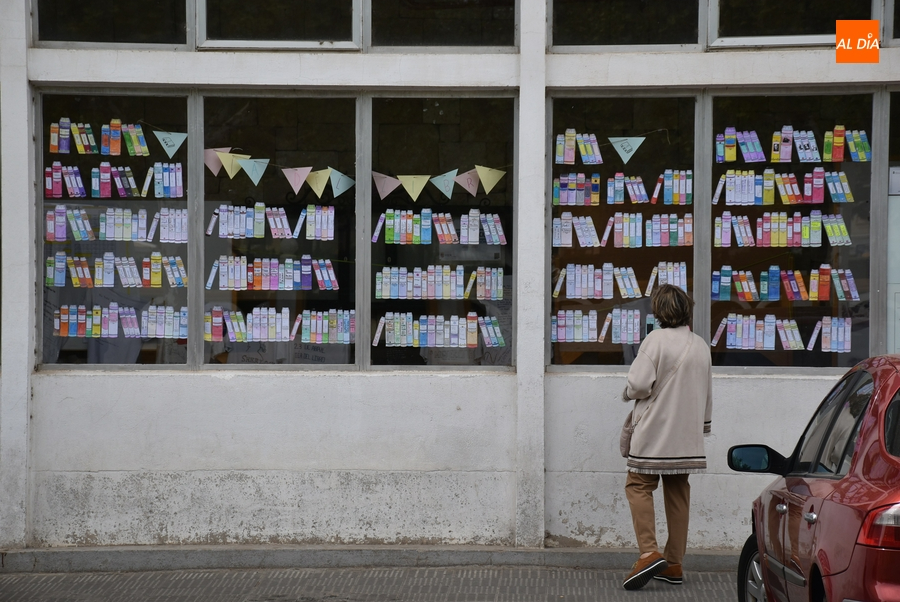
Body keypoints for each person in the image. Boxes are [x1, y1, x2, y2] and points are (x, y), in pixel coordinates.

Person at [620, 284, 712, 591]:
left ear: (658, 311)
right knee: (678, 493)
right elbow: (707, 393)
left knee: (638, 485)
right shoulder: (700, 345)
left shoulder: (655, 340)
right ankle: (674, 563)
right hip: (686, 435)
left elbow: (639, 384)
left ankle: (649, 552)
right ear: (687, 308)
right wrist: (703, 428)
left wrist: (629, 393)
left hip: (655, 431)